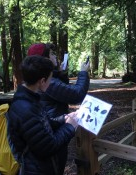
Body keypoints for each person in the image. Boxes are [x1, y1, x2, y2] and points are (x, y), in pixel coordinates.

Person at [6, 55, 78, 175]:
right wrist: (70, 127)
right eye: (50, 79)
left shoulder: (30, 99)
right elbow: (48, 147)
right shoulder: (25, 108)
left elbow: (42, 124)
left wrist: (63, 119)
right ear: (42, 81)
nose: (51, 82)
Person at [27, 43, 90, 174]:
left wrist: (60, 73)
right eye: (52, 54)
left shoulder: (45, 79)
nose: (55, 56)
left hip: (51, 129)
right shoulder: (48, 82)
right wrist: (83, 73)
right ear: (44, 59)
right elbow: (76, 95)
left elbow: (62, 93)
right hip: (53, 133)